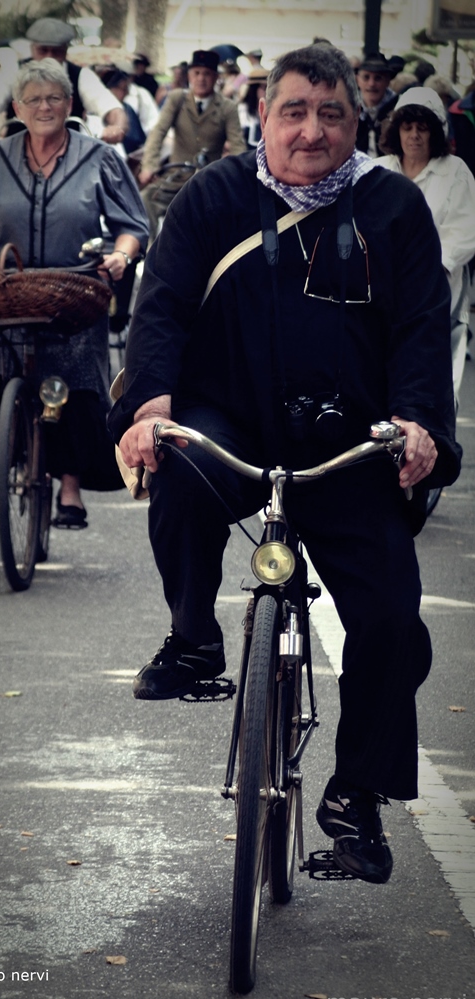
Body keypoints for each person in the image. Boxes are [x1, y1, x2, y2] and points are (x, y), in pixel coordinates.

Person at [108, 44, 461, 885]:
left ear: (355, 121)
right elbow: (160, 307)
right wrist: (150, 403)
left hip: (349, 437)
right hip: (228, 413)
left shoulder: (394, 208)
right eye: (292, 111)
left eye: (330, 113)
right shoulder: (213, 195)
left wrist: (416, 425)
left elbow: (421, 329)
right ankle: (194, 640)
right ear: (262, 118)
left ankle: (356, 795)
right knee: (183, 466)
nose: (311, 130)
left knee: (388, 621)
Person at [0, 59, 148, 526]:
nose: (44, 106)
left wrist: (121, 255)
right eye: (34, 98)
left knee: (77, 375)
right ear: (17, 107)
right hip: (3, 286)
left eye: (54, 98)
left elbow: (131, 226)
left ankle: (71, 488)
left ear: (70, 104)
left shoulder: (98, 157)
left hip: (74, 288)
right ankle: (4, 448)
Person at [378, 87, 475, 405]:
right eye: (408, 127)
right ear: (396, 130)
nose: (415, 136)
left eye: (423, 128)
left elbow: (465, 232)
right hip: (386, 295)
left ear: (436, 133)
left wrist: (428, 271)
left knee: (439, 389)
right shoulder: (378, 171)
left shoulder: (455, 172)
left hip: (440, 297)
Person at [0, 18, 128, 147]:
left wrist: (116, 127)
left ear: (66, 51)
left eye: (56, 51)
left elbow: (112, 108)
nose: (49, 57)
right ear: (33, 48)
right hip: (17, 159)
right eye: (43, 50)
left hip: (67, 163)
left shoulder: (81, 76)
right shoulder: (13, 72)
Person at [138, 49, 246, 243]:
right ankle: (150, 253)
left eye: (207, 74)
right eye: (196, 73)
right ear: (189, 76)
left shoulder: (227, 107)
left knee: (225, 217)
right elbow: (158, 132)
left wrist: (235, 179)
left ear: (216, 78)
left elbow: (238, 146)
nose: (201, 79)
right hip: (176, 178)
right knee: (147, 198)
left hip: (209, 182)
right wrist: (149, 165)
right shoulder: (177, 99)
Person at [355, 52, 399, 157]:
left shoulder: (398, 108)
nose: (371, 84)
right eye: (366, 77)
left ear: (388, 81)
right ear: (357, 80)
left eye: (378, 78)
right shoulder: (349, 107)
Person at [237, 66, 268, 148]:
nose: (267, 92)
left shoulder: (271, 109)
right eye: (264, 88)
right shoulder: (242, 109)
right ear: (254, 89)